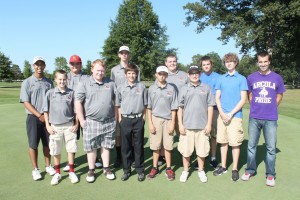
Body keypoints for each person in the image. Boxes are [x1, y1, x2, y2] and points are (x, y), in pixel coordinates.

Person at [241, 51, 286, 187]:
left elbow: (279, 95)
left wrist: (272, 106)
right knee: (251, 146)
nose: (263, 64)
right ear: (257, 62)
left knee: (271, 148)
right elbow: (250, 94)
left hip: (270, 118)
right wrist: (255, 105)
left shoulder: (277, 78)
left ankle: (270, 175)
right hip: (254, 117)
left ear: (269, 61)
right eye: (260, 62)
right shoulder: (251, 77)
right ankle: (250, 170)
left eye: (265, 61)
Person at [75, 59, 117, 183]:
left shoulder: (111, 83)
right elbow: (78, 102)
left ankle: (106, 168)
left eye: (102, 70)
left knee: (106, 146)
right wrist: (82, 120)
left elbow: (116, 102)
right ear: (92, 69)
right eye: (98, 70)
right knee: (91, 147)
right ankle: (91, 169)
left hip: (108, 121)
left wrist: (115, 118)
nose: (100, 72)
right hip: (92, 121)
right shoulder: (84, 83)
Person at [20, 56, 56, 180]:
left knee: (47, 143)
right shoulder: (27, 82)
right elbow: (26, 102)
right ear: (33, 65)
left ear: (44, 66)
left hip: (47, 117)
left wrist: (47, 116)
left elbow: (52, 100)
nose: (39, 66)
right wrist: (38, 115)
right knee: (33, 144)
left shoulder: (49, 82)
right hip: (33, 118)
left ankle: (48, 166)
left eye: (41, 64)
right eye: (37, 64)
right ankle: (35, 169)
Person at [213, 53, 248, 181]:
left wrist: (230, 114)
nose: (229, 63)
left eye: (231, 61)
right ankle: (223, 166)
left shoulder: (242, 79)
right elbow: (217, 97)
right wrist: (222, 114)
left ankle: (234, 168)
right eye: (227, 61)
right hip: (222, 116)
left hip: (235, 116)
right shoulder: (221, 78)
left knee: (235, 143)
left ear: (236, 63)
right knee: (223, 142)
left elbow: (243, 99)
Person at [177, 65, 214, 183]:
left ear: (200, 74)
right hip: (187, 125)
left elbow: (210, 107)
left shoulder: (206, 87)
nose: (194, 75)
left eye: (196, 73)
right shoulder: (184, 88)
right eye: (192, 73)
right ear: (188, 74)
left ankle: (201, 170)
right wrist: (180, 124)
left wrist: (209, 124)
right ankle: (185, 170)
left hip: (202, 126)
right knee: (186, 151)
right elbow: (180, 108)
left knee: (202, 151)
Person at [43, 70, 79, 185]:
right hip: (55, 127)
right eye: (59, 79)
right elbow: (45, 111)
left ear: (67, 79)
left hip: (69, 125)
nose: (62, 81)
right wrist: (48, 126)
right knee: (56, 150)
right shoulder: (50, 93)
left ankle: (71, 171)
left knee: (71, 148)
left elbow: (76, 111)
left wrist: (76, 123)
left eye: (64, 79)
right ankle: (57, 173)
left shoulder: (71, 93)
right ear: (55, 80)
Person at [115, 63, 147, 182]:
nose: (132, 75)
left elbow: (145, 105)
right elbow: (118, 105)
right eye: (129, 73)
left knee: (138, 146)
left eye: (134, 73)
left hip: (138, 119)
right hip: (125, 120)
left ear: (137, 74)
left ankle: (140, 170)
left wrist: (143, 118)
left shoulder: (142, 86)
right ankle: (126, 170)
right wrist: (120, 119)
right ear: (125, 74)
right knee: (125, 147)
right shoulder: (120, 87)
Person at [63, 55, 94, 172]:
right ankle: (71, 161)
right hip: (70, 113)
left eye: (77, 63)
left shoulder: (87, 77)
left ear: (81, 64)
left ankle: (94, 159)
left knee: (90, 137)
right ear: (69, 65)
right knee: (72, 138)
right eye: (72, 64)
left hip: (85, 112)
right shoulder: (65, 77)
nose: (75, 66)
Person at [110, 45, 140, 168]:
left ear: (129, 55)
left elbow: (138, 85)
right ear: (119, 54)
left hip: (132, 104)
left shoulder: (135, 68)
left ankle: (132, 156)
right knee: (118, 134)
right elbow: (112, 86)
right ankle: (119, 157)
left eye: (126, 53)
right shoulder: (114, 70)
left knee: (132, 134)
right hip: (119, 105)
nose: (124, 55)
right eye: (122, 53)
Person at [147, 66, 178, 181]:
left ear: (167, 75)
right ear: (156, 75)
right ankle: (155, 167)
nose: (162, 76)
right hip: (155, 119)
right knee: (155, 145)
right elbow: (149, 107)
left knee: (168, 146)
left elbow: (174, 107)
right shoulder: (151, 88)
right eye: (160, 74)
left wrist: (173, 123)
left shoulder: (171, 88)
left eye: (164, 74)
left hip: (168, 119)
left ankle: (169, 168)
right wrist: (150, 123)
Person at [198, 56, 221, 170]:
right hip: (201, 111)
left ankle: (213, 158)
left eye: (208, 64)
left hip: (215, 109)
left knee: (213, 134)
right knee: (201, 134)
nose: (206, 66)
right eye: (204, 65)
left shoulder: (218, 77)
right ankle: (201, 158)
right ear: (201, 66)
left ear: (211, 64)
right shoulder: (198, 77)